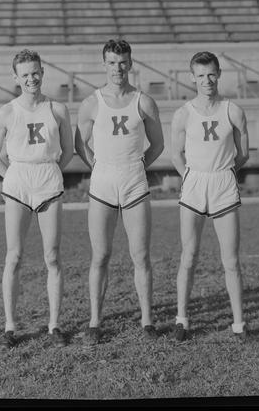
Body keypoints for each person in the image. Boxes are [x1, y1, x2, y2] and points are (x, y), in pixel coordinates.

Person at [75, 38, 164, 344]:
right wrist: (99, 168)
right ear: (104, 64)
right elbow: (79, 144)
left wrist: (137, 166)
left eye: (123, 62)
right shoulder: (91, 103)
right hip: (102, 185)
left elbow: (158, 144)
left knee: (140, 255)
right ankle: (95, 321)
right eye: (112, 62)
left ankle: (147, 320)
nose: (118, 68)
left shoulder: (144, 101)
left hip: (135, 184)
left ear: (131, 63)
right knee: (100, 255)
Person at [0, 49, 74, 348]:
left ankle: (54, 325)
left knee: (52, 255)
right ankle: (10, 326)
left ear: (42, 72)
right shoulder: (7, 112)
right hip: (18, 182)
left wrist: (50, 172)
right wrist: (10, 176)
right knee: (15, 255)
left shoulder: (57, 109)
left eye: (35, 72)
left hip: (48, 179)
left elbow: (68, 150)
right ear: (16, 78)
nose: (31, 79)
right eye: (25, 74)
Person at [171, 51, 249, 342]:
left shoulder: (233, 110)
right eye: (201, 75)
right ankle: (182, 320)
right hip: (194, 184)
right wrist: (190, 177)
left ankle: (239, 324)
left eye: (212, 74)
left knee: (230, 260)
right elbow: (175, 153)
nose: (207, 80)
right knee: (188, 256)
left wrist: (223, 173)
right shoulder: (183, 113)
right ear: (192, 77)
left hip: (223, 185)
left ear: (219, 74)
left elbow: (242, 154)